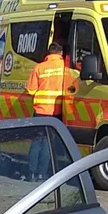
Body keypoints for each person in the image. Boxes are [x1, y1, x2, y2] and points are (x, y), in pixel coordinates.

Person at [26, 42, 72, 178]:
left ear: (48, 53)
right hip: (57, 111)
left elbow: (31, 89)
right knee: (48, 143)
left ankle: (31, 173)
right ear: (60, 53)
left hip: (40, 110)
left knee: (36, 142)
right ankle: (42, 173)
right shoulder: (65, 68)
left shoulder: (39, 68)